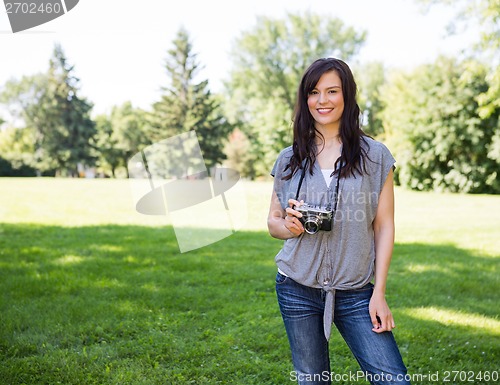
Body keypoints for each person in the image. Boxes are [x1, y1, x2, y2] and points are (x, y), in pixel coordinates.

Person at [267, 58, 411, 385]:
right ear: (305, 100)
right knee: (313, 380)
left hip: (356, 291)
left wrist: (380, 293)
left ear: (347, 95)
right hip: (295, 287)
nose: (323, 101)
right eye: (314, 92)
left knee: (394, 380)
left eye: (332, 91)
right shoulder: (289, 158)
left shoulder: (376, 156)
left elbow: (384, 225)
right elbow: (273, 221)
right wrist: (287, 225)